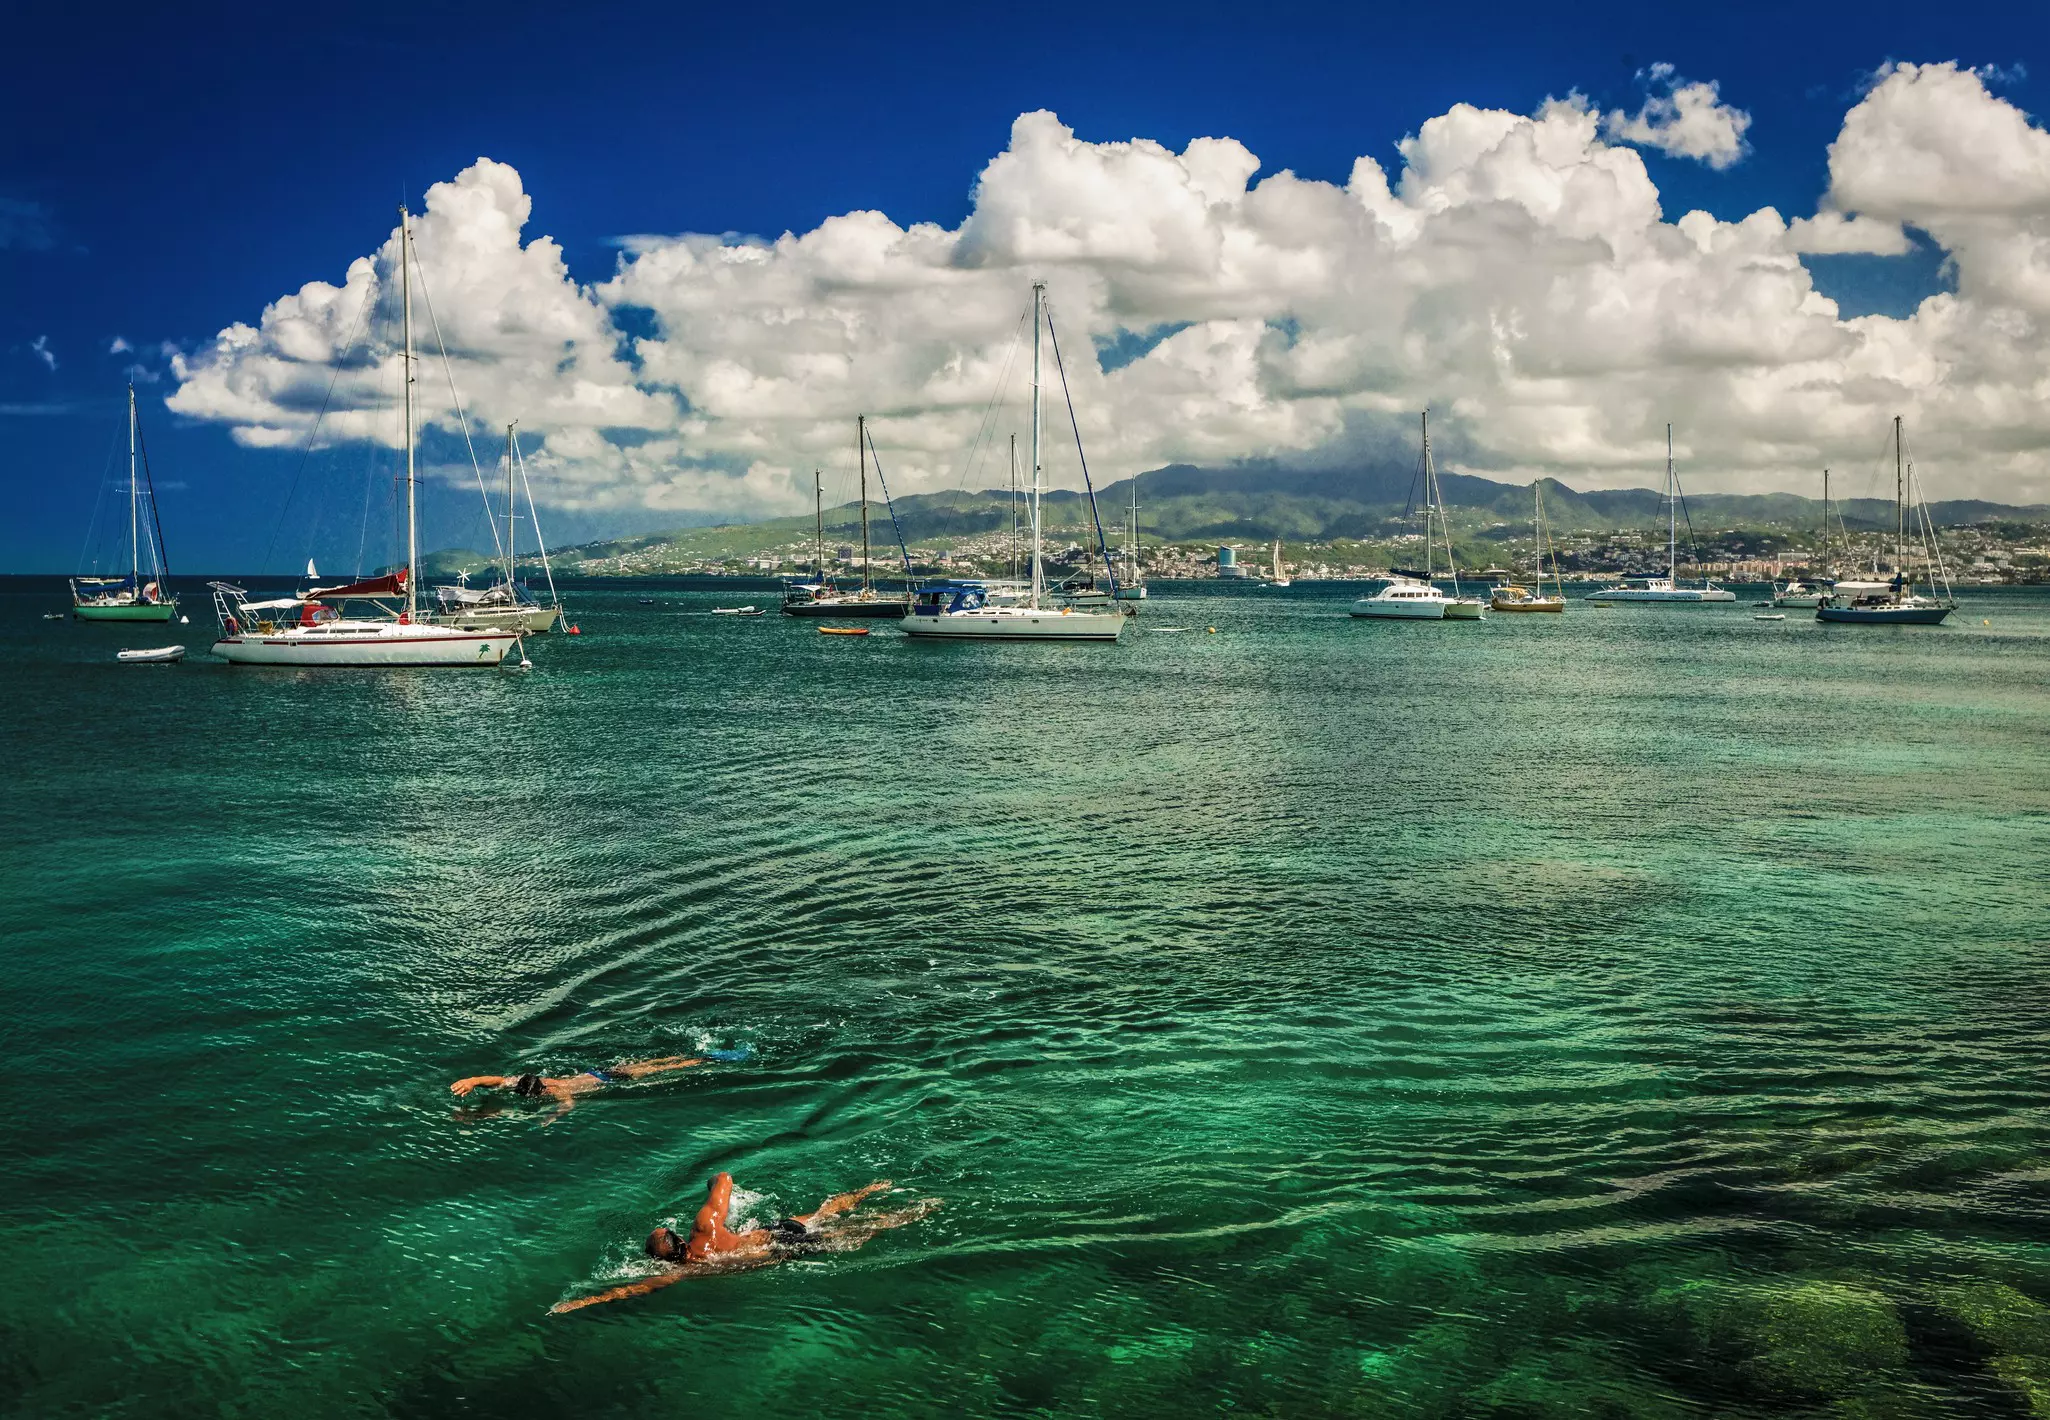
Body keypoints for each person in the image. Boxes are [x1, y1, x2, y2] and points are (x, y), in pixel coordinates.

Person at [549, 1172, 938, 1313]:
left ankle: (915, 1212)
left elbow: (634, 1289)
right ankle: (872, 1189)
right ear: (680, 1238)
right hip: (773, 1230)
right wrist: (711, 1187)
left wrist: (586, 1300)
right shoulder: (706, 1227)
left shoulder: (684, 1272)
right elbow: (724, 1178)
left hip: (782, 1251)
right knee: (824, 1211)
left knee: (856, 1235)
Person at [450, 1051, 745, 1120]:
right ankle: (695, 1056)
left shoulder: (554, 1090)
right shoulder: (533, 1081)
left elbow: (569, 1103)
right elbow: (499, 1080)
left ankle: (703, 1060)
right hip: (598, 1072)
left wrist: (551, 1116)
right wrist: (474, 1081)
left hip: (610, 1079)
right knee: (655, 1063)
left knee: (661, 1070)